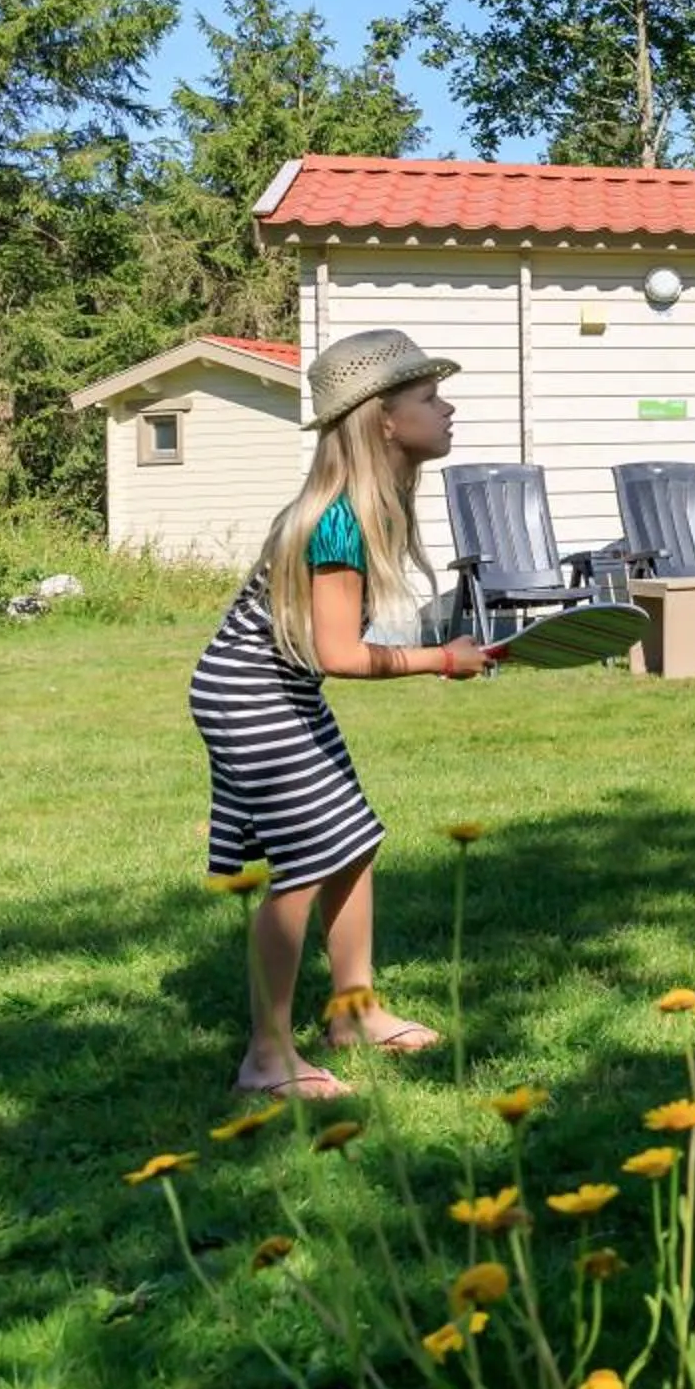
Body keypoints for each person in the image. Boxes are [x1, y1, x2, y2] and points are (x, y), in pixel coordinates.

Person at [190, 329, 486, 1099]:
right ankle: (266, 1058)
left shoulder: (360, 507)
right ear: (383, 420)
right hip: (250, 693)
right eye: (428, 398)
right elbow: (340, 654)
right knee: (303, 865)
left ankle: (354, 1013)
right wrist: (442, 660)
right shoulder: (337, 520)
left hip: (275, 688)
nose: (446, 408)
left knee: (352, 843)